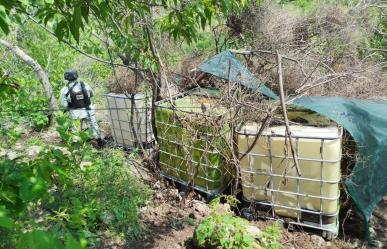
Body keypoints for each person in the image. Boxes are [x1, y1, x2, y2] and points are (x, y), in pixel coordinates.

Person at [59, 69, 104, 146]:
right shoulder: (85, 85)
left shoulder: (64, 90)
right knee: (93, 126)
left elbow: (65, 105)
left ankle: (77, 146)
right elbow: (91, 94)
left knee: (75, 130)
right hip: (88, 110)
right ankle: (99, 142)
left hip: (75, 113)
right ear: (76, 76)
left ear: (66, 78)